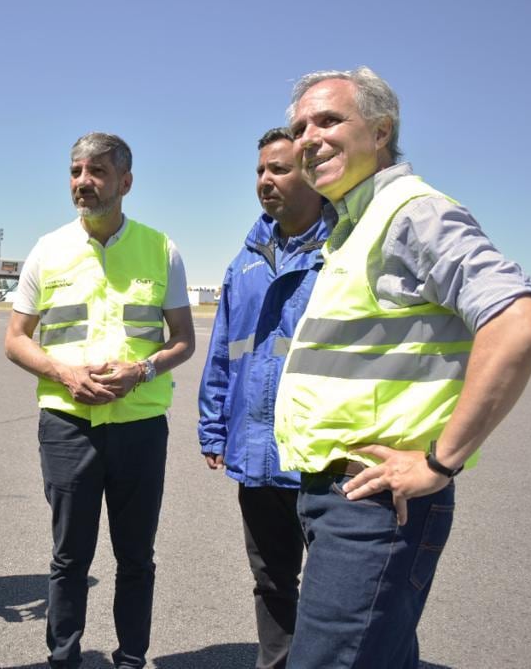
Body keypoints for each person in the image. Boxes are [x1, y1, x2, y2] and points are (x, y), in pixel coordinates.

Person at [276, 66, 531, 668]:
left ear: (381, 132)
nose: (307, 138)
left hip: (376, 506)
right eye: (299, 127)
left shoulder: (411, 213)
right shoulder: (350, 226)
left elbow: (521, 322)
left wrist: (438, 462)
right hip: (339, 494)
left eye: (328, 120)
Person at [4, 132, 195, 669]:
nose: (83, 183)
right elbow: (16, 339)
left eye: (97, 172)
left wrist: (143, 368)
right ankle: (63, 659)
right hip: (68, 426)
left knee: (136, 557)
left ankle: (131, 658)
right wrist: (63, 372)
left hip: (139, 426)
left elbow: (183, 338)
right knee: (69, 557)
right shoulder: (48, 249)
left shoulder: (161, 249)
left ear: (125, 182)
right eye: (75, 172)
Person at [197, 127, 328, 669]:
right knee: (271, 580)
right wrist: (213, 428)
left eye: (279, 169)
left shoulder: (343, 252)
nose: (266, 181)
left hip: (324, 456)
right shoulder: (244, 262)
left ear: (315, 174)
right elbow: (224, 350)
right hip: (255, 451)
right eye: (260, 171)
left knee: (336, 591)